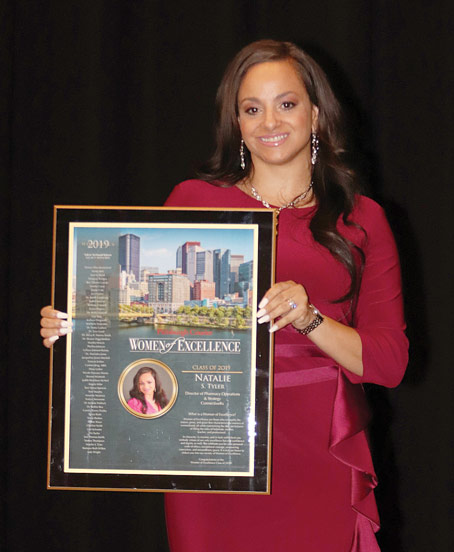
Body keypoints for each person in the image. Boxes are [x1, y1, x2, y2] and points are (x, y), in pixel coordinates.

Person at [41, 39, 408, 551]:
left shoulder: (361, 217)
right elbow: (147, 329)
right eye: (252, 109)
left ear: (316, 114)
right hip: (209, 444)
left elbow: (389, 364)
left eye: (286, 104)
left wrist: (309, 318)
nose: (269, 122)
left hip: (316, 447)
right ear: (236, 122)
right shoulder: (193, 202)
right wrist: (80, 327)